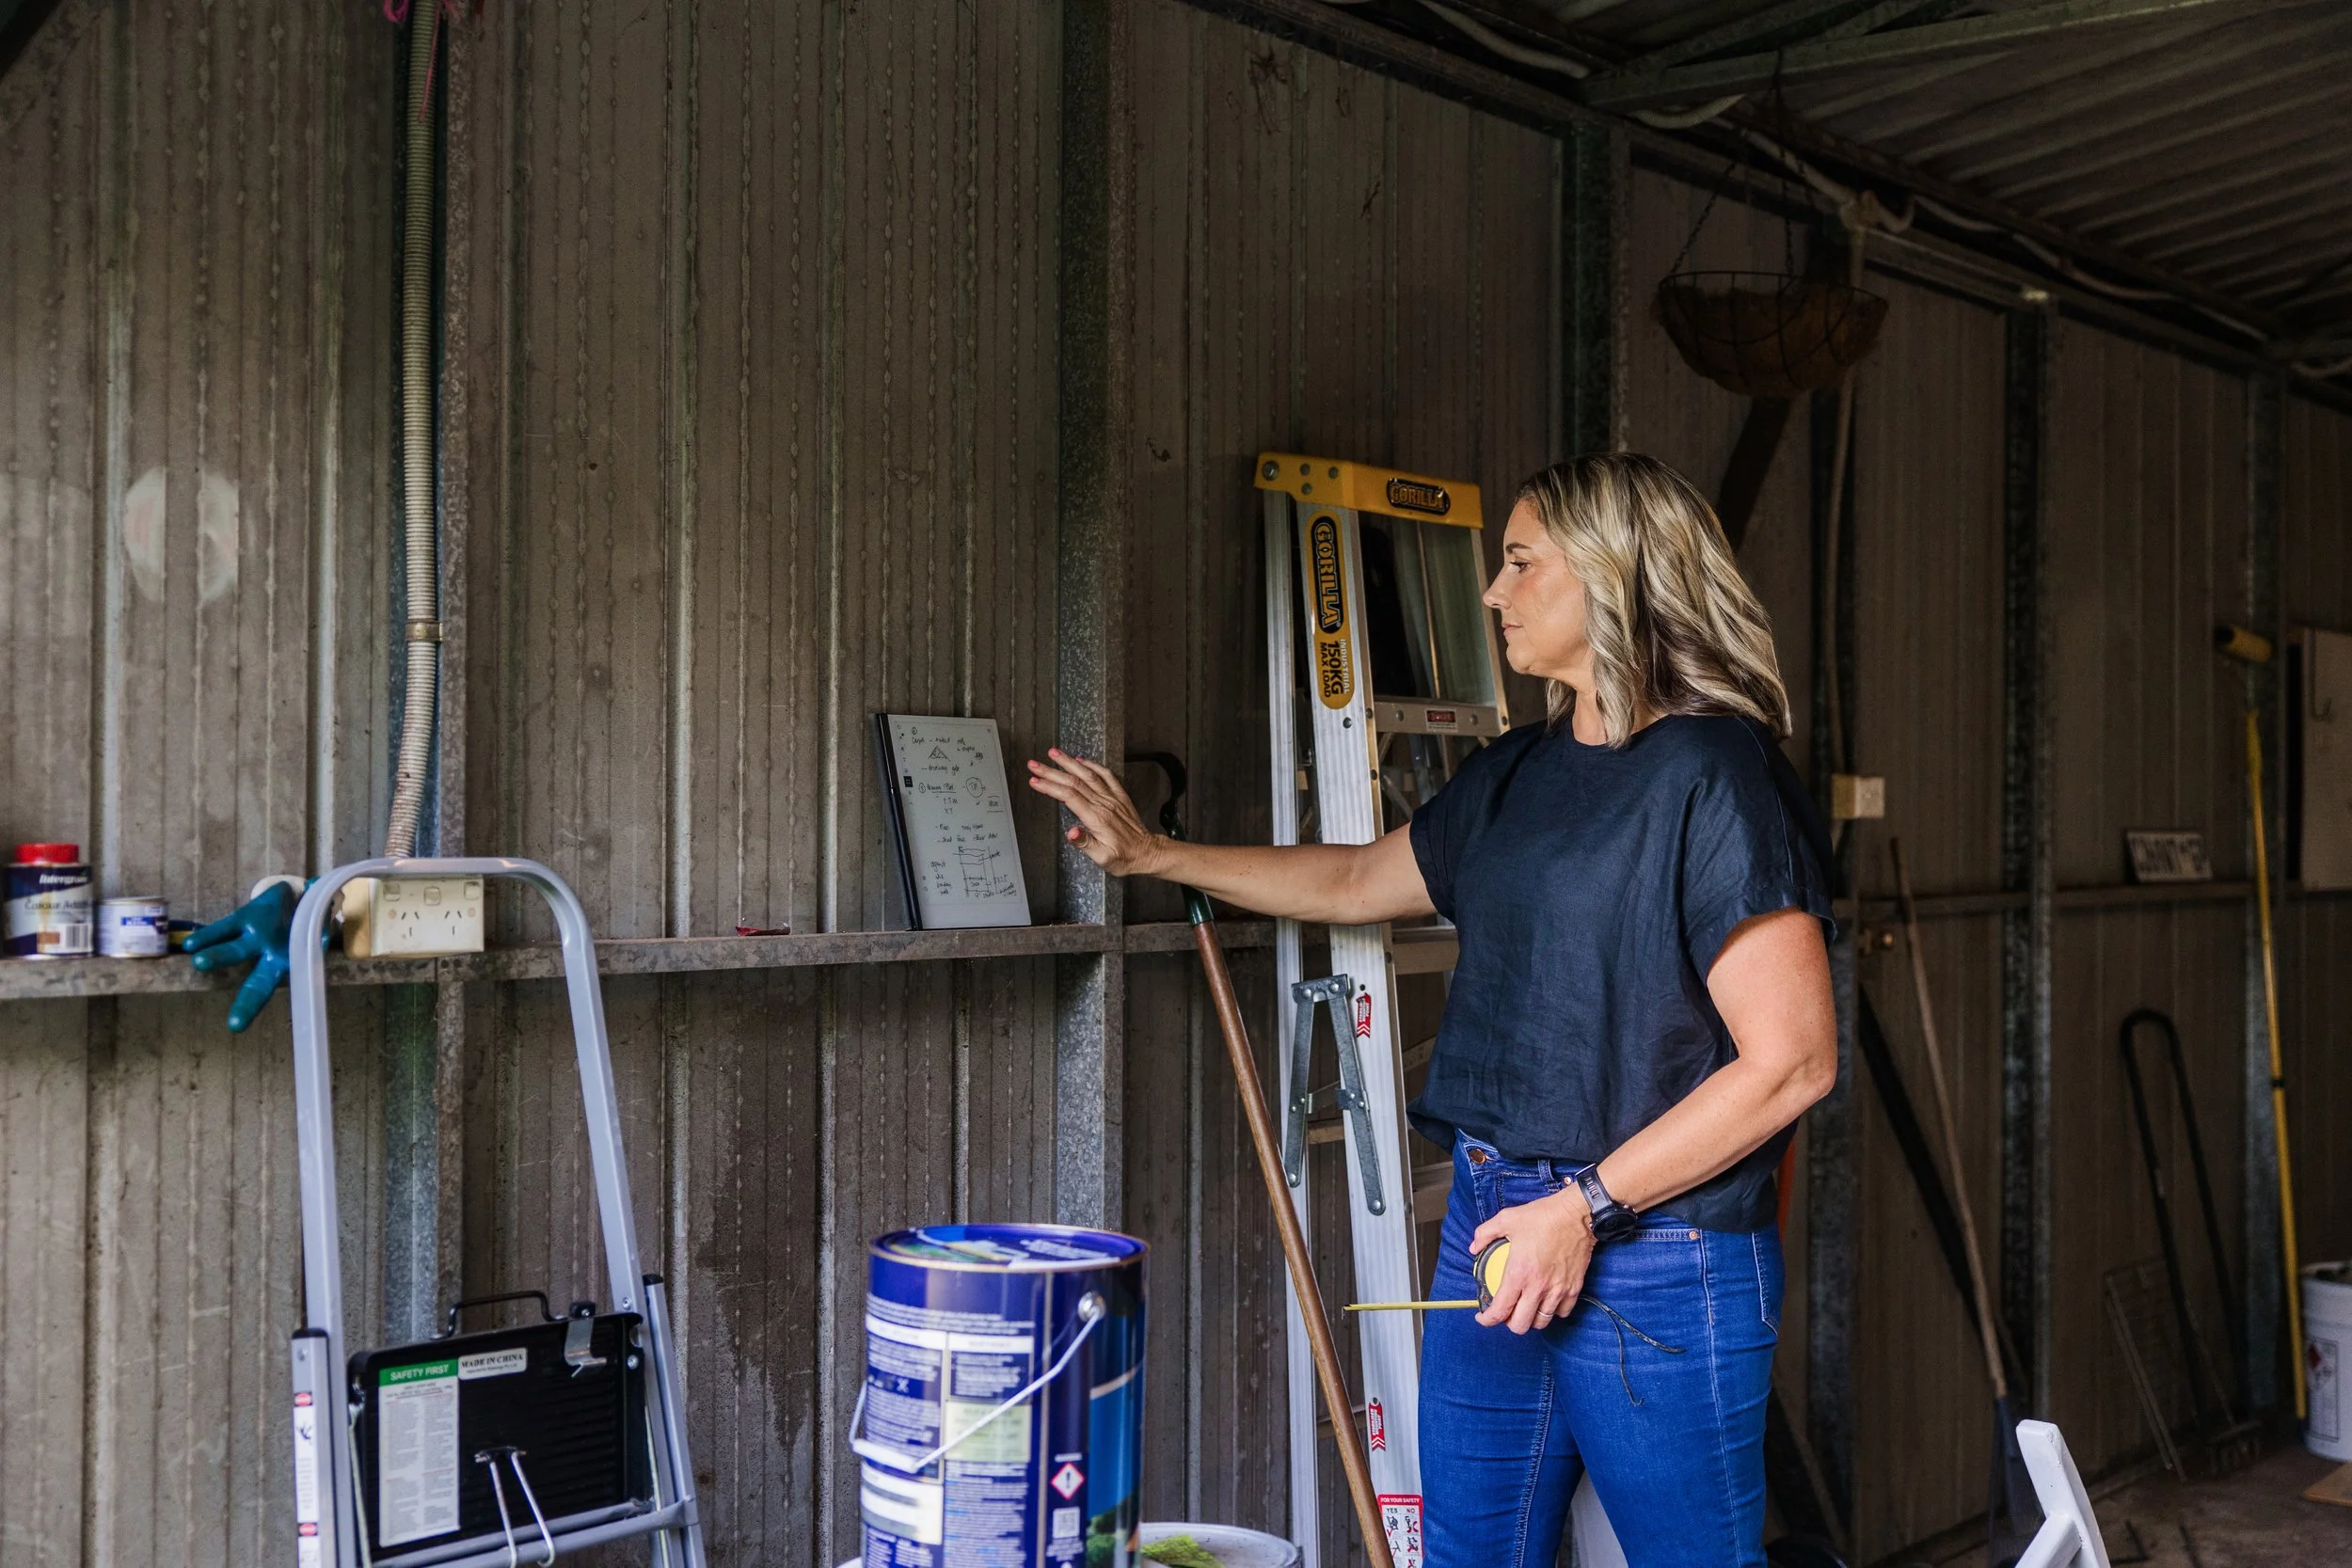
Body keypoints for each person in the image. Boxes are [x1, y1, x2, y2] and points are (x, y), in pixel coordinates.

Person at [1027, 451, 1837, 1568]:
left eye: (1518, 562)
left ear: (1611, 575)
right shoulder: (1519, 771)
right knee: (1467, 1552)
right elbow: (1360, 880)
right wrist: (1156, 853)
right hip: (1495, 1217)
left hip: (1657, 1248)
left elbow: (1790, 1062)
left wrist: (1585, 1208)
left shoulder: (1712, 772)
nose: (1494, 592)